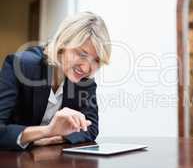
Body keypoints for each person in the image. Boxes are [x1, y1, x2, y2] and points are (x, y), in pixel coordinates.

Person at [0, 12, 111, 150]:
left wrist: (58, 138)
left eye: (96, 60)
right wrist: (47, 131)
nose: (86, 68)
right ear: (62, 44)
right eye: (82, 54)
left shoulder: (85, 81)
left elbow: (91, 127)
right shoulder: (20, 65)